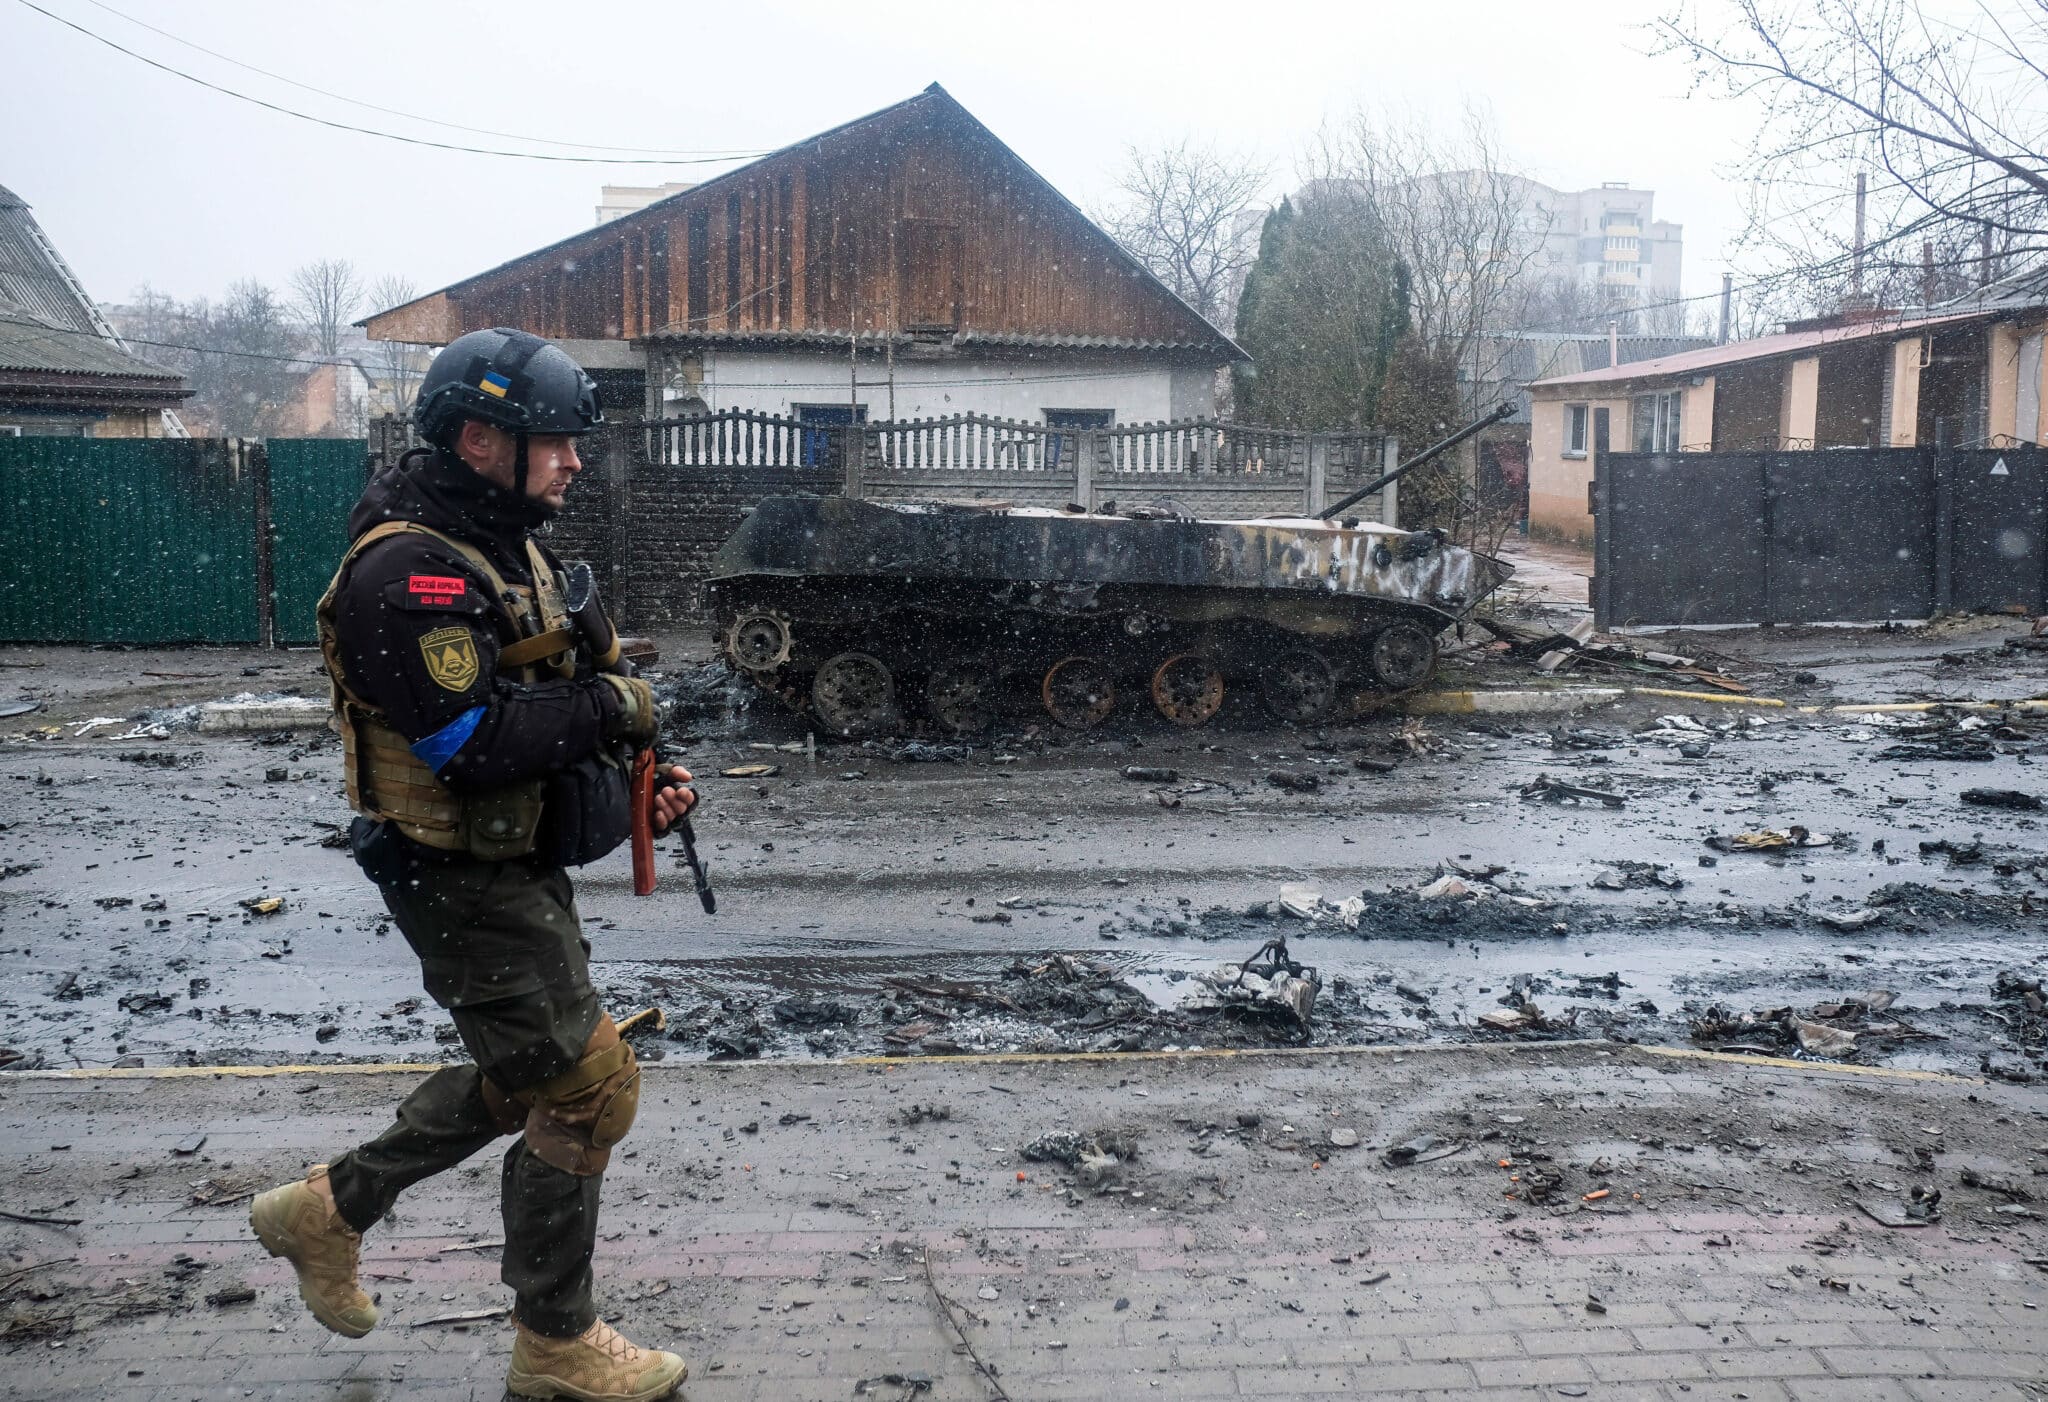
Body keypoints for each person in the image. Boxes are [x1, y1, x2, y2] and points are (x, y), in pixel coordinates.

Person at [249, 328, 696, 1402]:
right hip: (453, 872)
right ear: (481, 437)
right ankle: (555, 1341)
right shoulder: (409, 571)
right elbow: (470, 744)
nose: (575, 462)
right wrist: (608, 702)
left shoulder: (502, 545)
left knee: (526, 1071)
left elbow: (554, 686)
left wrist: (642, 764)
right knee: (586, 1086)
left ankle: (325, 1210)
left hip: (509, 861)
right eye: (556, 441)